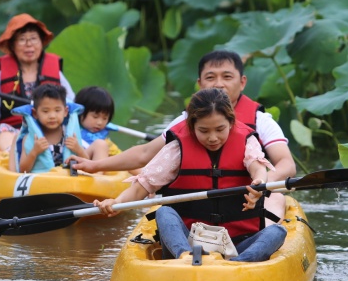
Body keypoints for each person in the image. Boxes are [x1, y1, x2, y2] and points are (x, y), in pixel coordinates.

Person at [72, 50, 295, 223]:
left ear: (242, 82)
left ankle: (260, 242)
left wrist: (260, 183)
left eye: (227, 76)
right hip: (197, 205)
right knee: (168, 213)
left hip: (247, 201)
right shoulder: (185, 122)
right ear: (199, 84)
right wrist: (95, 165)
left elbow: (286, 164)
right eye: (210, 77)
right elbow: (145, 154)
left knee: (276, 197)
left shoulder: (261, 121)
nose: (219, 83)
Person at [94, 88, 287, 262]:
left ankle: (239, 264)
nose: (213, 138)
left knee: (277, 232)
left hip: (237, 245)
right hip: (188, 241)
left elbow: (257, 166)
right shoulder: (177, 147)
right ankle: (185, 259)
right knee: (164, 212)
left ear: (231, 122)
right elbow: (143, 186)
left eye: (220, 129)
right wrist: (116, 202)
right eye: (204, 131)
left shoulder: (246, 141)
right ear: (192, 127)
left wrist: (259, 183)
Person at [0, 13, 75, 151]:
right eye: (22, 40)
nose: (29, 45)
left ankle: (54, 155)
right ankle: (13, 156)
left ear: (41, 43)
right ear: (12, 46)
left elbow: (73, 107)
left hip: (49, 130)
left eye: (34, 39)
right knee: (3, 132)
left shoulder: (56, 74)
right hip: (14, 131)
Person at [11, 84, 77, 173]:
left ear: (65, 112)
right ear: (35, 113)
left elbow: (87, 162)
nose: (52, 116)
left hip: (67, 182)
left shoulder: (71, 135)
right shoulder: (31, 138)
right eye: (45, 111)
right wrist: (34, 152)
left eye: (57, 110)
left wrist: (78, 149)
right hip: (42, 183)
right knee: (16, 137)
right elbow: (23, 170)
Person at [65, 86, 114, 161]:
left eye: (105, 118)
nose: (100, 123)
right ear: (81, 113)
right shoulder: (71, 130)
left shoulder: (102, 136)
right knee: (100, 145)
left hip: (101, 165)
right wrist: (78, 149)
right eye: (95, 117)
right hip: (85, 164)